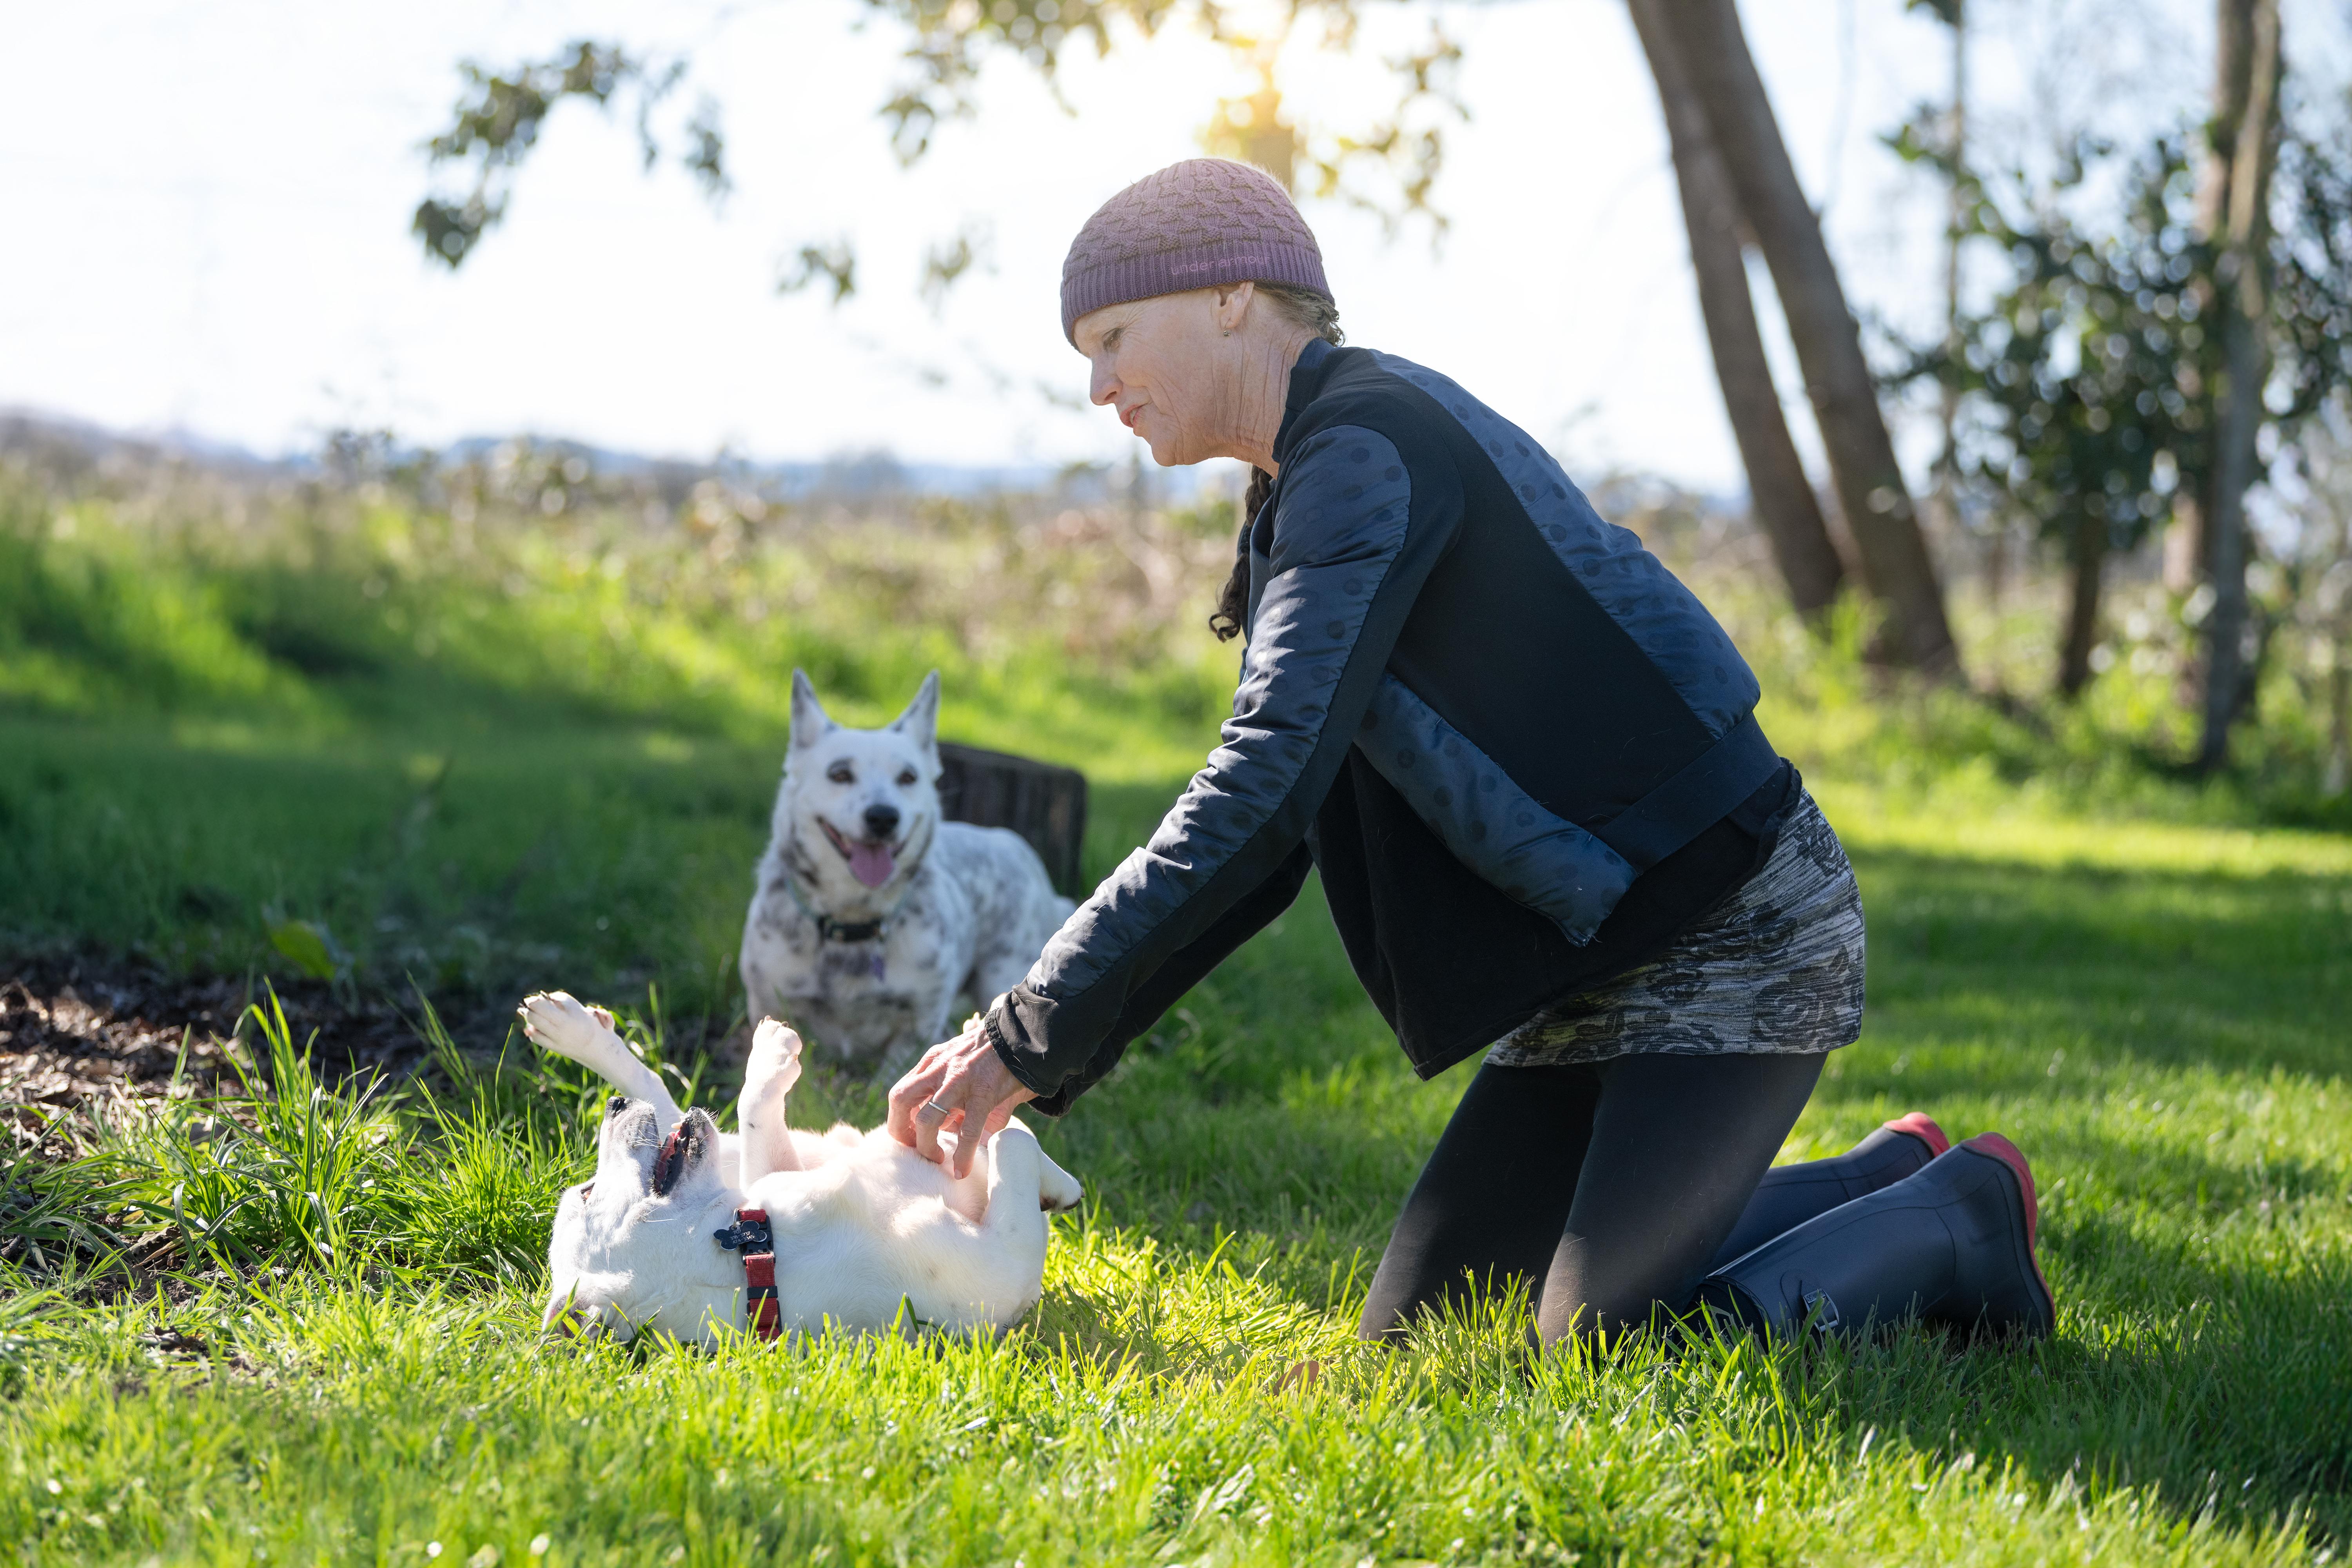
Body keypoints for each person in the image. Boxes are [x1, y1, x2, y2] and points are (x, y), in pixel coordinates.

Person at [886, 158, 2053, 1345]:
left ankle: (1960, 1216)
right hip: (1585, 965)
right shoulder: (1297, 485)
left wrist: (1020, 1030)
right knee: (1423, 1339)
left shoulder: (1366, 453)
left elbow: (1260, 785)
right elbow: (1270, 841)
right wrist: (1047, 1047)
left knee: (1599, 1346)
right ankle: (1868, 1178)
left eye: (1115, 335)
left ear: (1232, 298)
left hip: (1729, 926)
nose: (1099, 385)